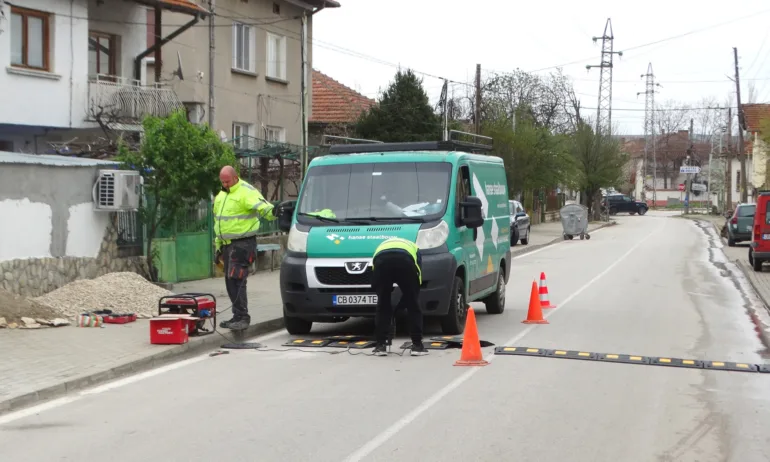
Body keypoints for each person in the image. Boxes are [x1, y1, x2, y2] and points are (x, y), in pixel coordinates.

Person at [214, 165, 279, 331]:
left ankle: (243, 317)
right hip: (228, 245)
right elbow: (219, 223)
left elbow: (264, 207)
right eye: (222, 182)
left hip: (243, 243)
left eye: (227, 181)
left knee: (237, 278)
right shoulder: (221, 195)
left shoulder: (246, 191)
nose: (225, 184)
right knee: (230, 281)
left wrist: (276, 212)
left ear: (235, 177)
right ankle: (237, 315)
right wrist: (218, 246)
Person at [370, 237, 428, 357]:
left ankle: (380, 346)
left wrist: (384, 297)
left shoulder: (381, 247)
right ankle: (417, 346)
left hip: (381, 260)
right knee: (413, 304)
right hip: (405, 261)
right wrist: (404, 303)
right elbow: (417, 284)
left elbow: (375, 282)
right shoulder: (415, 248)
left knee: (382, 304)